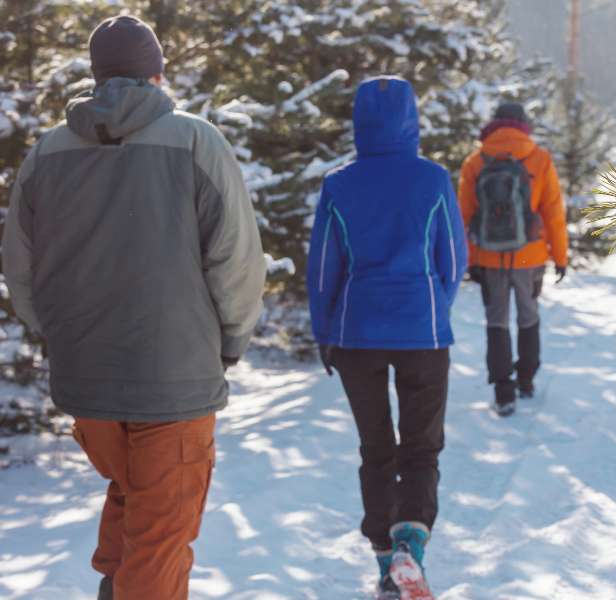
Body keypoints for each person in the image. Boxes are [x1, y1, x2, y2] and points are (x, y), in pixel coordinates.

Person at [2, 16, 266, 600]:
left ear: (96, 76)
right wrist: (229, 341)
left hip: (87, 383)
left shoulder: (47, 153)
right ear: (157, 71)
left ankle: (111, 589)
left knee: (131, 493)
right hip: (176, 382)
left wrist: (64, 336)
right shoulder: (196, 141)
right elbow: (237, 261)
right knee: (162, 535)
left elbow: (20, 270)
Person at [306, 76, 467, 598]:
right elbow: (453, 260)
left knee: (376, 448)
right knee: (422, 448)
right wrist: (433, 308)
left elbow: (324, 268)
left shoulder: (339, 183)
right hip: (423, 332)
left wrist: (325, 331)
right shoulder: (434, 178)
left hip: (358, 334)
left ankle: (384, 559)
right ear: (411, 119)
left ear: (358, 122)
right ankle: (411, 548)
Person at [458, 102, 568, 416]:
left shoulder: (475, 162)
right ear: (523, 125)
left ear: (493, 124)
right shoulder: (540, 158)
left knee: (497, 321)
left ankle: (504, 392)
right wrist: (560, 257)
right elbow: (553, 214)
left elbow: (463, 216)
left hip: (489, 257)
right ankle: (527, 379)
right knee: (528, 315)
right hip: (530, 256)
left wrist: (468, 260)